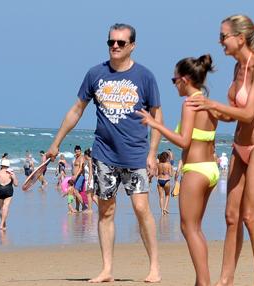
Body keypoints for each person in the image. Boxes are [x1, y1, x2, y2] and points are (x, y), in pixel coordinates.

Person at [46, 23, 162, 283]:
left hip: (135, 155)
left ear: (132, 45)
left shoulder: (145, 77)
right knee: (106, 211)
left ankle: (154, 266)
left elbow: (157, 115)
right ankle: (107, 269)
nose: (115, 46)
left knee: (141, 208)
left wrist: (152, 152)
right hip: (104, 155)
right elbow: (77, 109)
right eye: (111, 42)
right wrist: (56, 142)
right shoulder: (95, 74)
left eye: (121, 42)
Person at [186, 15, 254, 286]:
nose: (219, 41)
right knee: (231, 217)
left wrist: (214, 104)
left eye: (223, 36)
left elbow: (248, 114)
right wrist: (204, 107)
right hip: (238, 147)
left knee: (250, 217)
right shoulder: (237, 68)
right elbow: (231, 116)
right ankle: (225, 279)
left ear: (240, 38)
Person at [138, 54, 218, 285]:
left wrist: (156, 125)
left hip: (196, 169)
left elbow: (184, 141)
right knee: (195, 229)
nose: (173, 85)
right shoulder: (208, 102)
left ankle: (203, 282)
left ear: (184, 79)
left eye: (174, 80)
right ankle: (201, 280)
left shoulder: (190, 103)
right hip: (210, 168)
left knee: (188, 228)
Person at [0, 159, 18, 231]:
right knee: (6, 206)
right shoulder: (11, 173)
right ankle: (2, 224)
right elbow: (16, 184)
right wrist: (13, 177)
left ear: (1, 165)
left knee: (1, 208)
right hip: (8, 190)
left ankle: (4, 224)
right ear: (8, 165)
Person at [72, 145, 86, 211]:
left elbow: (80, 168)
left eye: (78, 150)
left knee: (76, 191)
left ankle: (84, 206)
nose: (77, 151)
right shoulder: (76, 158)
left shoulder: (81, 158)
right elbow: (74, 167)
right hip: (75, 177)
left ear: (80, 150)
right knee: (76, 192)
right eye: (76, 150)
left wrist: (76, 175)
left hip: (80, 176)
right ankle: (77, 208)